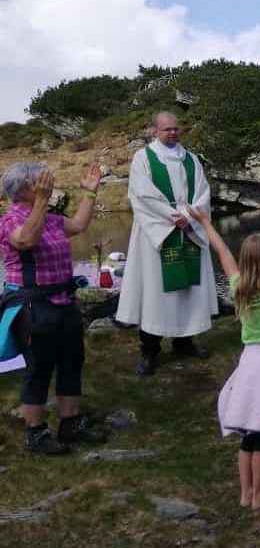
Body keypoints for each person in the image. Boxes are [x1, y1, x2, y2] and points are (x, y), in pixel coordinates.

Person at [190, 195, 260, 511]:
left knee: (247, 435)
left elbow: (222, 251)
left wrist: (204, 223)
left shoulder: (239, 285)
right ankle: (259, 495)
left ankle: (245, 493)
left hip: (249, 362)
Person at [0, 162, 108, 454]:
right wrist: (43, 200)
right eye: (40, 181)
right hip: (32, 304)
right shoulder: (11, 220)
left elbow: (79, 225)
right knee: (39, 368)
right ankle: (35, 433)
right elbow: (25, 240)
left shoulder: (49, 217)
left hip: (63, 301)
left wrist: (89, 194)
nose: (47, 184)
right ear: (23, 189)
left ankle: (71, 423)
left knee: (72, 362)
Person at [117, 111, 216, 376]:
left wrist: (189, 217)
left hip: (189, 229)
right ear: (155, 131)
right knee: (157, 293)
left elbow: (203, 192)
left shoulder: (191, 159)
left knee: (187, 291)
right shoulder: (143, 158)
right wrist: (174, 218)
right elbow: (142, 195)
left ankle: (184, 342)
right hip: (158, 233)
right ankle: (149, 350)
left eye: (176, 128)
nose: (172, 133)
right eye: (167, 129)